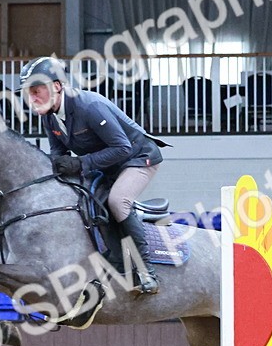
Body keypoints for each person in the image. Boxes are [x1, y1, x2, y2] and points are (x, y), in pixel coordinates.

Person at [19, 56, 164, 296]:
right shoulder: (48, 115)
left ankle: (146, 271)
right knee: (86, 199)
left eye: (37, 90)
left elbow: (123, 148)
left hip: (138, 158)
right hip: (108, 165)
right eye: (28, 92)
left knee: (117, 201)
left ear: (57, 86)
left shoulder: (89, 106)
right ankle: (117, 259)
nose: (32, 98)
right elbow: (59, 153)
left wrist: (81, 163)